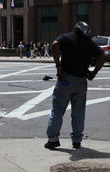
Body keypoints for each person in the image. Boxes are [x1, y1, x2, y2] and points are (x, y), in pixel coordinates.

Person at [45, 21, 105, 150]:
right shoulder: (89, 42)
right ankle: (77, 141)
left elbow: (55, 45)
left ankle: (53, 139)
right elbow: (103, 56)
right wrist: (93, 72)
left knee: (58, 110)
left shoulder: (66, 37)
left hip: (66, 79)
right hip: (81, 81)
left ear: (75, 28)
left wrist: (58, 65)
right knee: (78, 112)